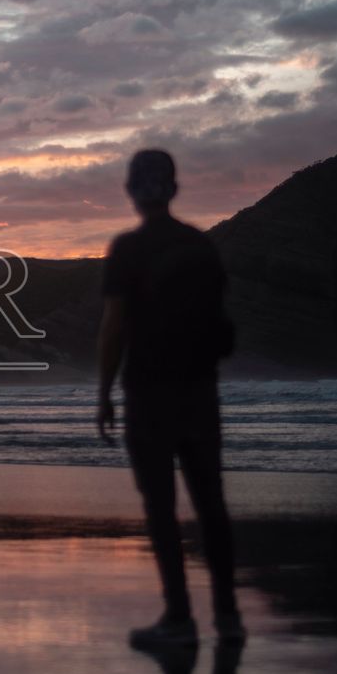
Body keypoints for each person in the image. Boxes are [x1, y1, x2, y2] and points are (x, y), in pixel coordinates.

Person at [96, 149, 243, 648]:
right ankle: (228, 616)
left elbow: (114, 327)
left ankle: (179, 619)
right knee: (211, 503)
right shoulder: (201, 246)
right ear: (174, 190)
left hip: (149, 394)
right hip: (200, 390)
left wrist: (103, 393)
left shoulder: (129, 249)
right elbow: (220, 320)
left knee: (160, 507)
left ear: (131, 192)